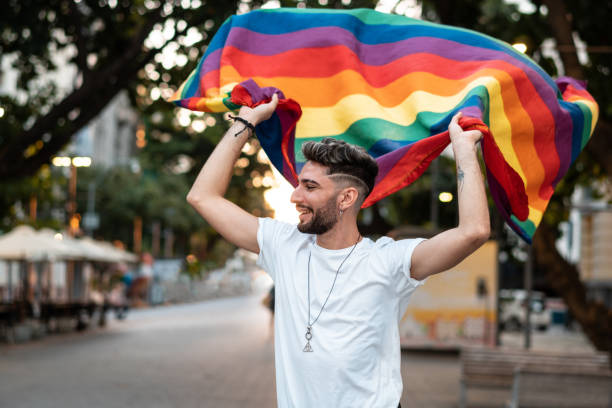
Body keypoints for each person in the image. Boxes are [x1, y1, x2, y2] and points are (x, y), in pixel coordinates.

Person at [186, 93, 490, 407]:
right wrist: (247, 120)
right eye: (299, 184)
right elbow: (203, 197)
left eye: (310, 186)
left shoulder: (387, 261)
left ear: (345, 199)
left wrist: (465, 151)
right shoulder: (283, 245)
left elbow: (473, 232)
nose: (295, 197)